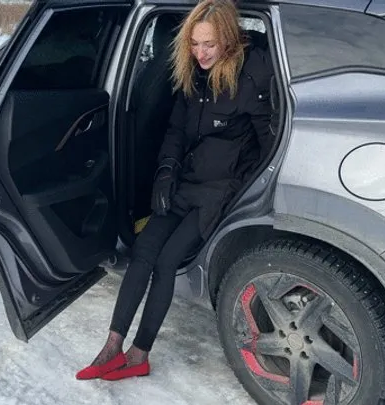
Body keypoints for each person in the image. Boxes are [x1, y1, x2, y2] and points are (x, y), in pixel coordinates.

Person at [76, 0, 274, 381]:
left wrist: (245, 193)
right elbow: (177, 132)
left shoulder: (251, 77)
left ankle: (140, 353)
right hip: (185, 182)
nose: (200, 53)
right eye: (195, 43)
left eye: (210, 45)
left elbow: (268, 141)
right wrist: (165, 175)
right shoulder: (193, 75)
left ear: (229, 41)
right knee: (142, 253)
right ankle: (112, 345)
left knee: (167, 262)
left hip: (220, 190)